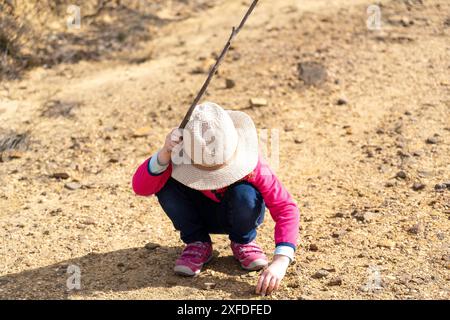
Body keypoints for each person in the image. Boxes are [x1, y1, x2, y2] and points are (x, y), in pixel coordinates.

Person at [132, 102, 299, 295]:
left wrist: (280, 261)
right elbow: (140, 187)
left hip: (239, 212)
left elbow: (286, 207)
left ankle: (243, 241)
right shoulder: (178, 154)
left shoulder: (253, 163)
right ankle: (197, 242)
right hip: (199, 214)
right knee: (165, 186)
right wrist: (164, 153)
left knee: (246, 194)